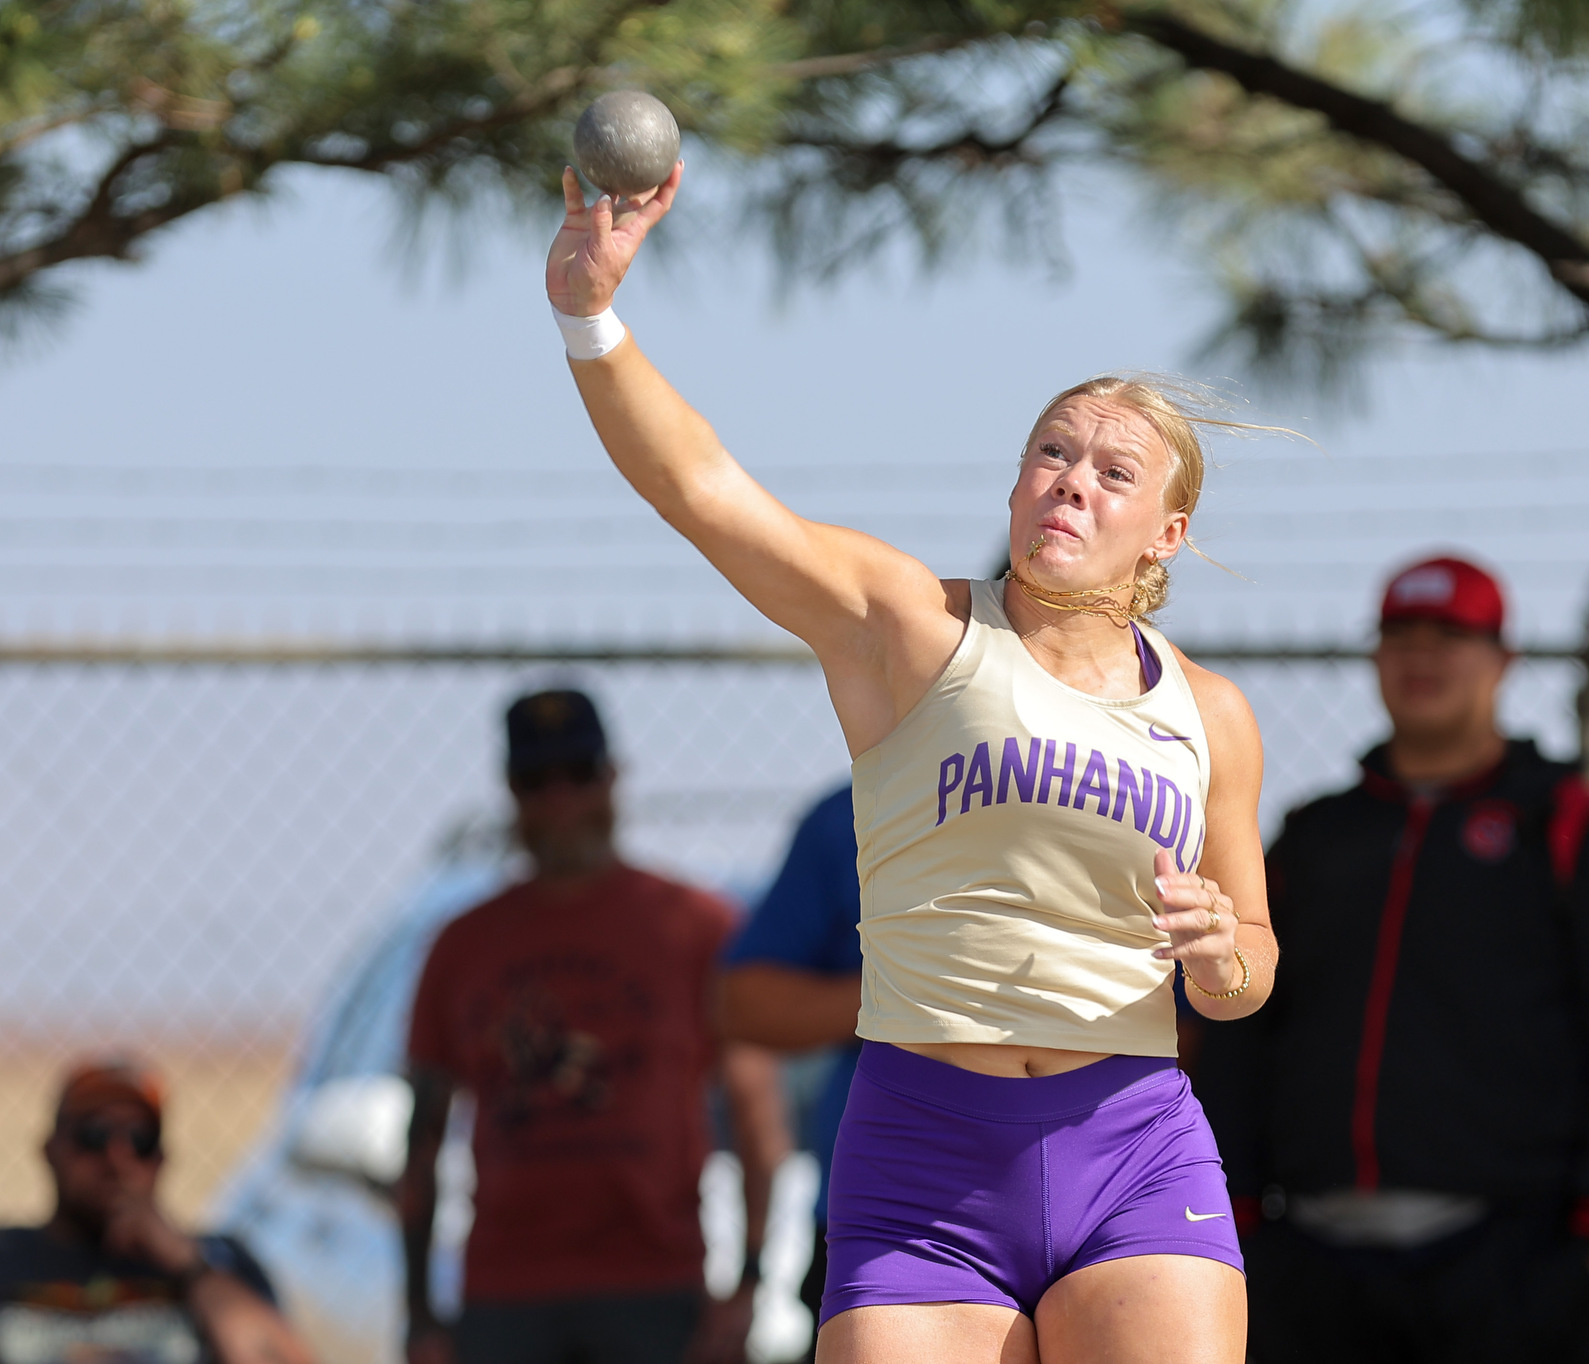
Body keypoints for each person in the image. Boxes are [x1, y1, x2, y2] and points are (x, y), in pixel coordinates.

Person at [545, 163, 1277, 1364]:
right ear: (1013, 477)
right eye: (1052, 451)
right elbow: (705, 490)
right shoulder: (912, 629)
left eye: (1113, 472)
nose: (1071, 482)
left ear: (1166, 533)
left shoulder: (1211, 712)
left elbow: (1246, 972)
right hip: (925, 1145)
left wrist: (1221, 950)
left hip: (1133, 1141)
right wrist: (590, 315)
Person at [1197, 555, 1589, 1364]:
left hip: (1512, 1270)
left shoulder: (1577, 840)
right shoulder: (1312, 842)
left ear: (1503, 660)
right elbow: (1238, 1035)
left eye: (1450, 636)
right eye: (1400, 637)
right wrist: (1243, 1223)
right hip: (1310, 1273)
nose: (1421, 657)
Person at [400, 687, 788, 1364]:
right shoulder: (460, 947)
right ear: (511, 793)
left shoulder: (696, 927)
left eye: (578, 775)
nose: (561, 802)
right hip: (505, 1295)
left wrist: (750, 1280)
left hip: (658, 1288)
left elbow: (757, 1118)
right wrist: (419, 1317)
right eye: (537, 782)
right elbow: (422, 1142)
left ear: (612, 779)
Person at [0, 1057, 315, 1364]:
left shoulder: (218, 1261)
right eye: (93, 1136)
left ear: (161, 1160)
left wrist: (187, 1261)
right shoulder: (9, 1256)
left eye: (141, 1140)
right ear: (50, 1150)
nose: (117, 1159)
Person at [717, 783, 862, 1359]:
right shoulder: (852, 815)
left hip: (1109, 1202)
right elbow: (740, 1002)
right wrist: (921, 994)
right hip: (882, 1215)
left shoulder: (1144, 783)